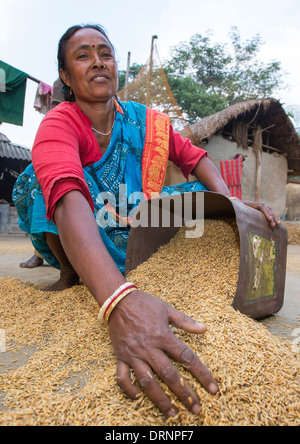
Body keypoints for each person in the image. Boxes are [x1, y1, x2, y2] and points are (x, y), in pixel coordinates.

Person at [12, 24, 280, 419]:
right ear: (66, 77)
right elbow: (68, 199)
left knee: (195, 199)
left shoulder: (144, 120)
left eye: (105, 53)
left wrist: (231, 202)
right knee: (39, 182)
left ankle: (129, 267)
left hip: (136, 216)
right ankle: (74, 274)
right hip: (82, 226)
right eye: (83, 56)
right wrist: (118, 302)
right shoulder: (59, 123)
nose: (98, 62)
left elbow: (195, 158)